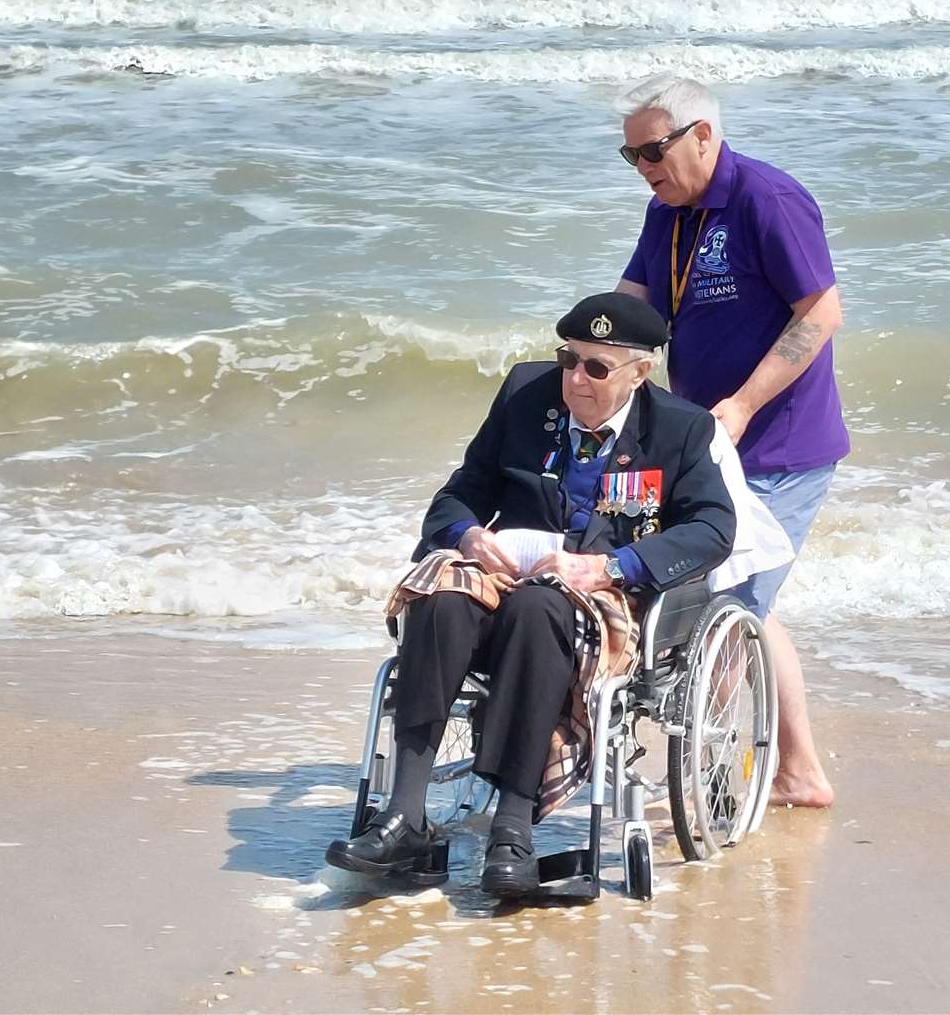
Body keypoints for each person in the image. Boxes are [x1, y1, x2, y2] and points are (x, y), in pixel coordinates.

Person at [325, 292, 736, 898]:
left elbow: (711, 529)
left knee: (539, 606)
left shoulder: (680, 430)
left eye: (595, 367)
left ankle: (512, 830)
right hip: (506, 579)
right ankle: (405, 816)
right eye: (568, 359)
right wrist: (466, 534)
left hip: (597, 597)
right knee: (440, 595)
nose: (574, 378)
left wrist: (609, 566)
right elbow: (457, 496)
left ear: (638, 371)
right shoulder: (526, 396)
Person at [611, 73, 846, 808]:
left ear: (702, 135)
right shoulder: (667, 213)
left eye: (654, 150)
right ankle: (799, 771)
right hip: (707, 442)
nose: (645, 168)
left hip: (780, 444)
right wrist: (588, 369)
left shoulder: (765, 199)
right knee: (748, 604)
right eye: (631, 157)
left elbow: (822, 311)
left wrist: (742, 406)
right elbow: (633, 308)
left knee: (728, 599)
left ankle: (700, 770)